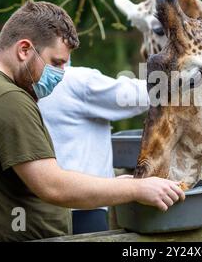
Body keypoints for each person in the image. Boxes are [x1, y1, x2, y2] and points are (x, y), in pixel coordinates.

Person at [0, 1, 185, 242]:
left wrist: (117, 184)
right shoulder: (7, 98)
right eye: (57, 62)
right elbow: (52, 186)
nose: (60, 75)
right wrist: (136, 189)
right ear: (24, 50)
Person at [38, 65, 149, 233]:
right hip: (85, 208)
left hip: (44, 210)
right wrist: (185, 74)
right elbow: (138, 96)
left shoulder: (25, 84)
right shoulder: (76, 80)